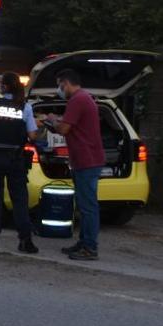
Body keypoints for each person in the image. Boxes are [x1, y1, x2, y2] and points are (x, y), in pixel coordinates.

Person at [0, 72, 39, 254]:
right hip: (16, 158)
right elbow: (32, 135)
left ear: (4, 87)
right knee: (20, 200)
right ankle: (25, 240)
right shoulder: (25, 107)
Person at [48, 69, 105, 261]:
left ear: (66, 83)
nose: (59, 89)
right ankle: (84, 242)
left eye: (60, 85)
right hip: (85, 159)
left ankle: (90, 247)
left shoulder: (78, 100)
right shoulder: (85, 98)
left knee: (88, 206)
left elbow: (64, 128)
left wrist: (52, 119)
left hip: (86, 160)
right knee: (84, 204)